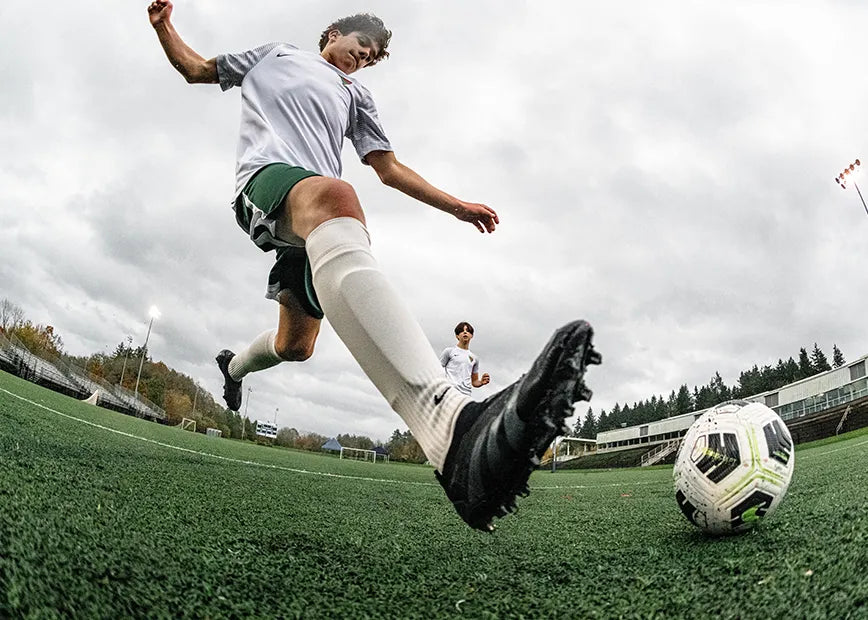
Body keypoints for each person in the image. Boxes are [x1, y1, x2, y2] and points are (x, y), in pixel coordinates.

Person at [147, 1, 601, 531]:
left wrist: (457, 206)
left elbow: (387, 169)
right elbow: (196, 69)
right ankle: (447, 424)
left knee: (297, 347)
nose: (366, 60)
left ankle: (233, 367)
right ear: (335, 34)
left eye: (374, 58)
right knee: (338, 195)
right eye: (363, 48)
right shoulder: (275, 53)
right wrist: (165, 27)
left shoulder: (356, 94)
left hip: (309, 219)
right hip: (268, 183)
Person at [440, 322, 490, 396]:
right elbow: (438, 370)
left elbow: (475, 382)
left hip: (465, 395)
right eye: (462, 331)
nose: (465, 332)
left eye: (468, 331)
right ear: (457, 336)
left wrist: (481, 382)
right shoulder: (449, 351)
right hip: (450, 393)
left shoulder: (474, 358)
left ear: (472, 335)